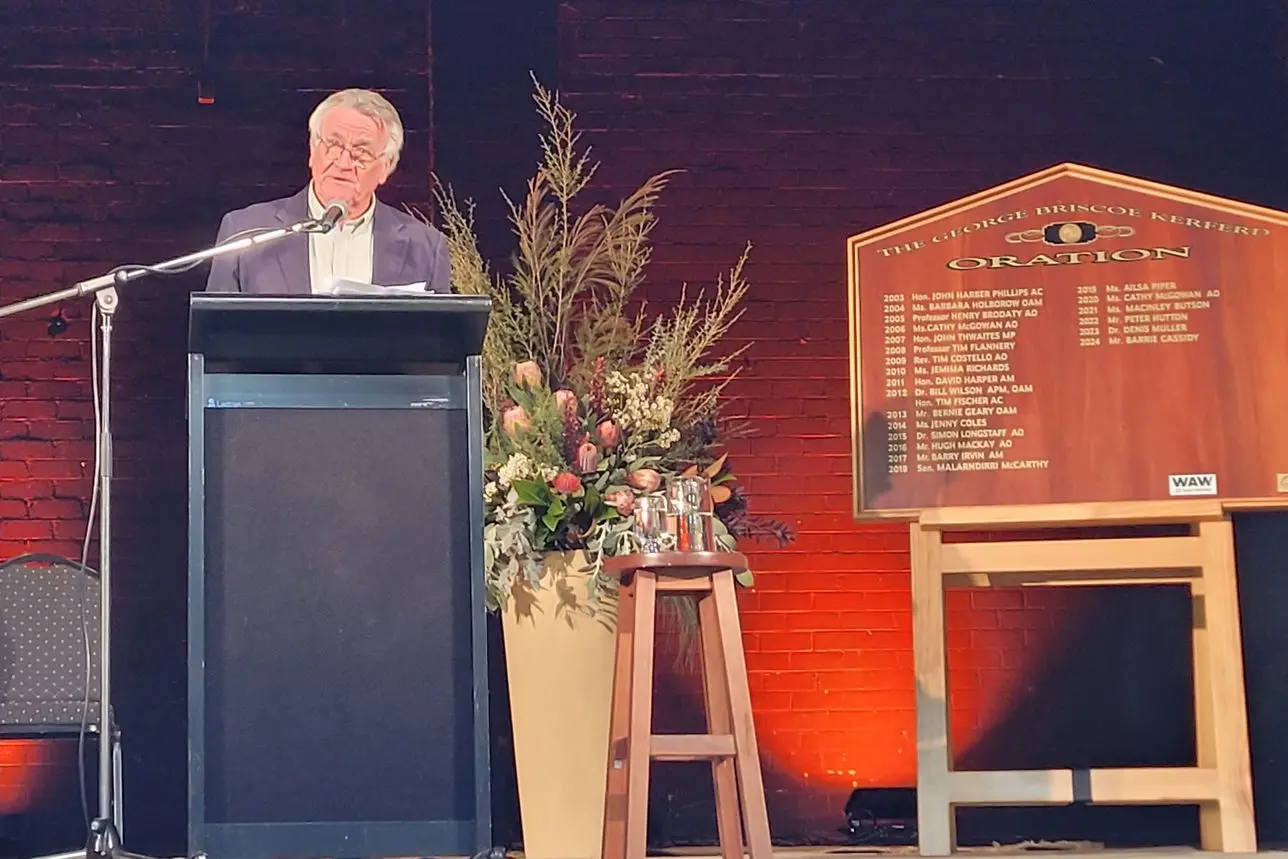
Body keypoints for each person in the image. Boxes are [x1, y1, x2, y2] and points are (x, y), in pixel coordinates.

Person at [205, 88, 452, 295]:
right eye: (333, 145)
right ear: (313, 150)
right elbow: (216, 339)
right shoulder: (245, 231)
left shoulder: (425, 248)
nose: (343, 163)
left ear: (385, 168)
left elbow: (442, 348)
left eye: (361, 153)